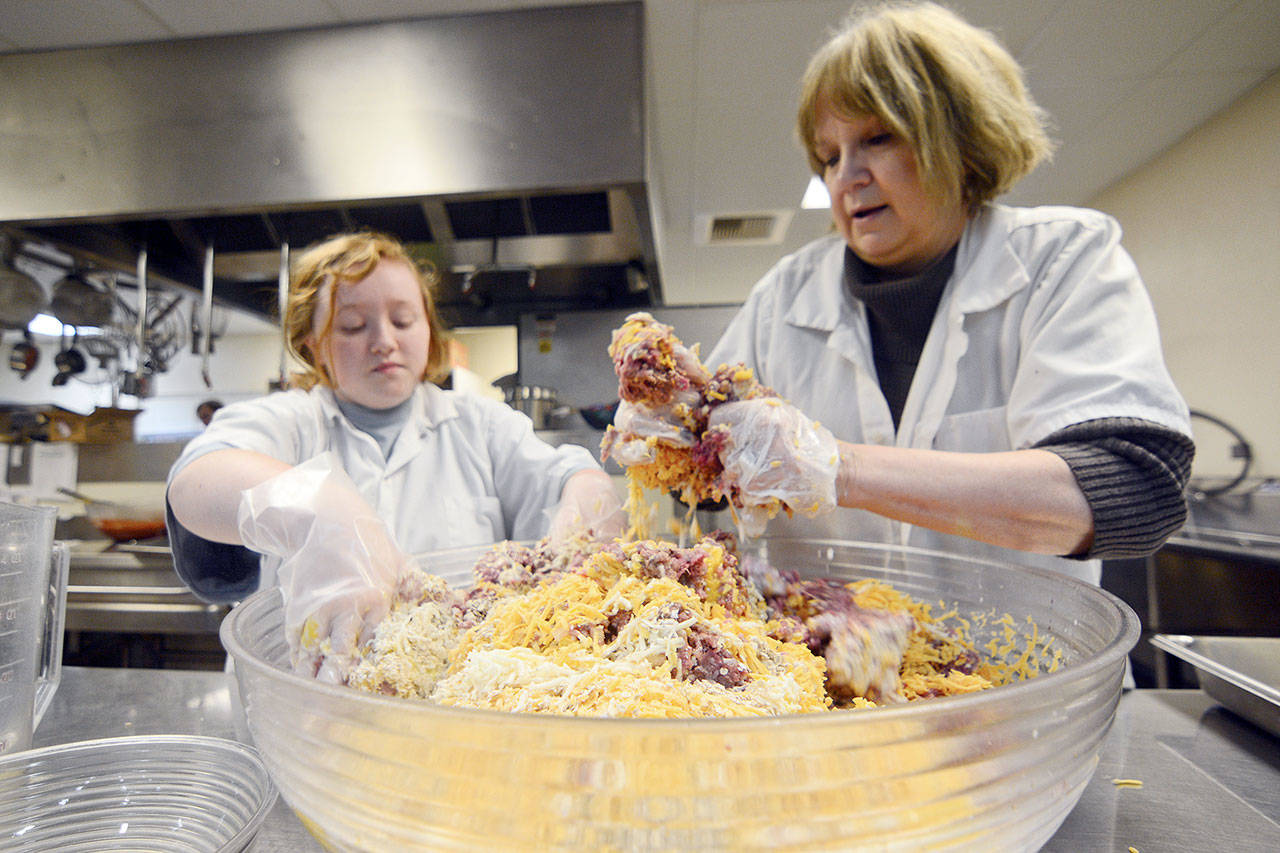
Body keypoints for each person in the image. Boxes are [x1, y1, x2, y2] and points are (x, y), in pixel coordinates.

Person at [696, 1, 1194, 586]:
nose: (845, 178)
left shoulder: (1060, 259)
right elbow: (704, 479)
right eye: (829, 158)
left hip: (1022, 665)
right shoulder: (783, 297)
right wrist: (675, 436)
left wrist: (836, 467)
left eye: (877, 139)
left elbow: (1132, 491)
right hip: (819, 665)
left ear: (960, 141)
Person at [166, 232, 622, 671]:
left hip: (455, 719)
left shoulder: (482, 426)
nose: (384, 340)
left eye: (403, 321)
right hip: (306, 713)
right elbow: (196, 481)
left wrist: (588, 494)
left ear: (428, 331)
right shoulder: (291, 423)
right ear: (315, 346)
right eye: (352, 325)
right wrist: (323, 508)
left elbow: (567, 478)